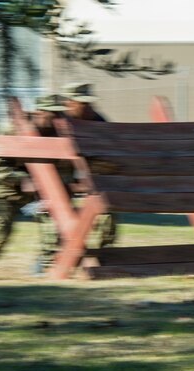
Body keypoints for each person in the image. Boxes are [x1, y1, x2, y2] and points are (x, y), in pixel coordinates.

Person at [0, 95, 68, 279]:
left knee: (52, 220)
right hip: (0, 186)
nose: (55, 118)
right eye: (51, 113)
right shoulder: (11, 129)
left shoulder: (56, 133)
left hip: (34, 189)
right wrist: (21, 179)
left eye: (58, 113)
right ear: (39, 112)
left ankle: (45, 265)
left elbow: (62, 167)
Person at [61, 82, 117, 249]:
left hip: (93, 169)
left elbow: (109, 153)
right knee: (57, 202)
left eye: (88, 103)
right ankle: (54, 253)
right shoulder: (60, 121)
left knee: (106, 202)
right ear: (69, 103)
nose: (87, 108)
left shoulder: (98, 121)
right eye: (82, 103)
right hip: (64, 168)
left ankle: (104, 251)